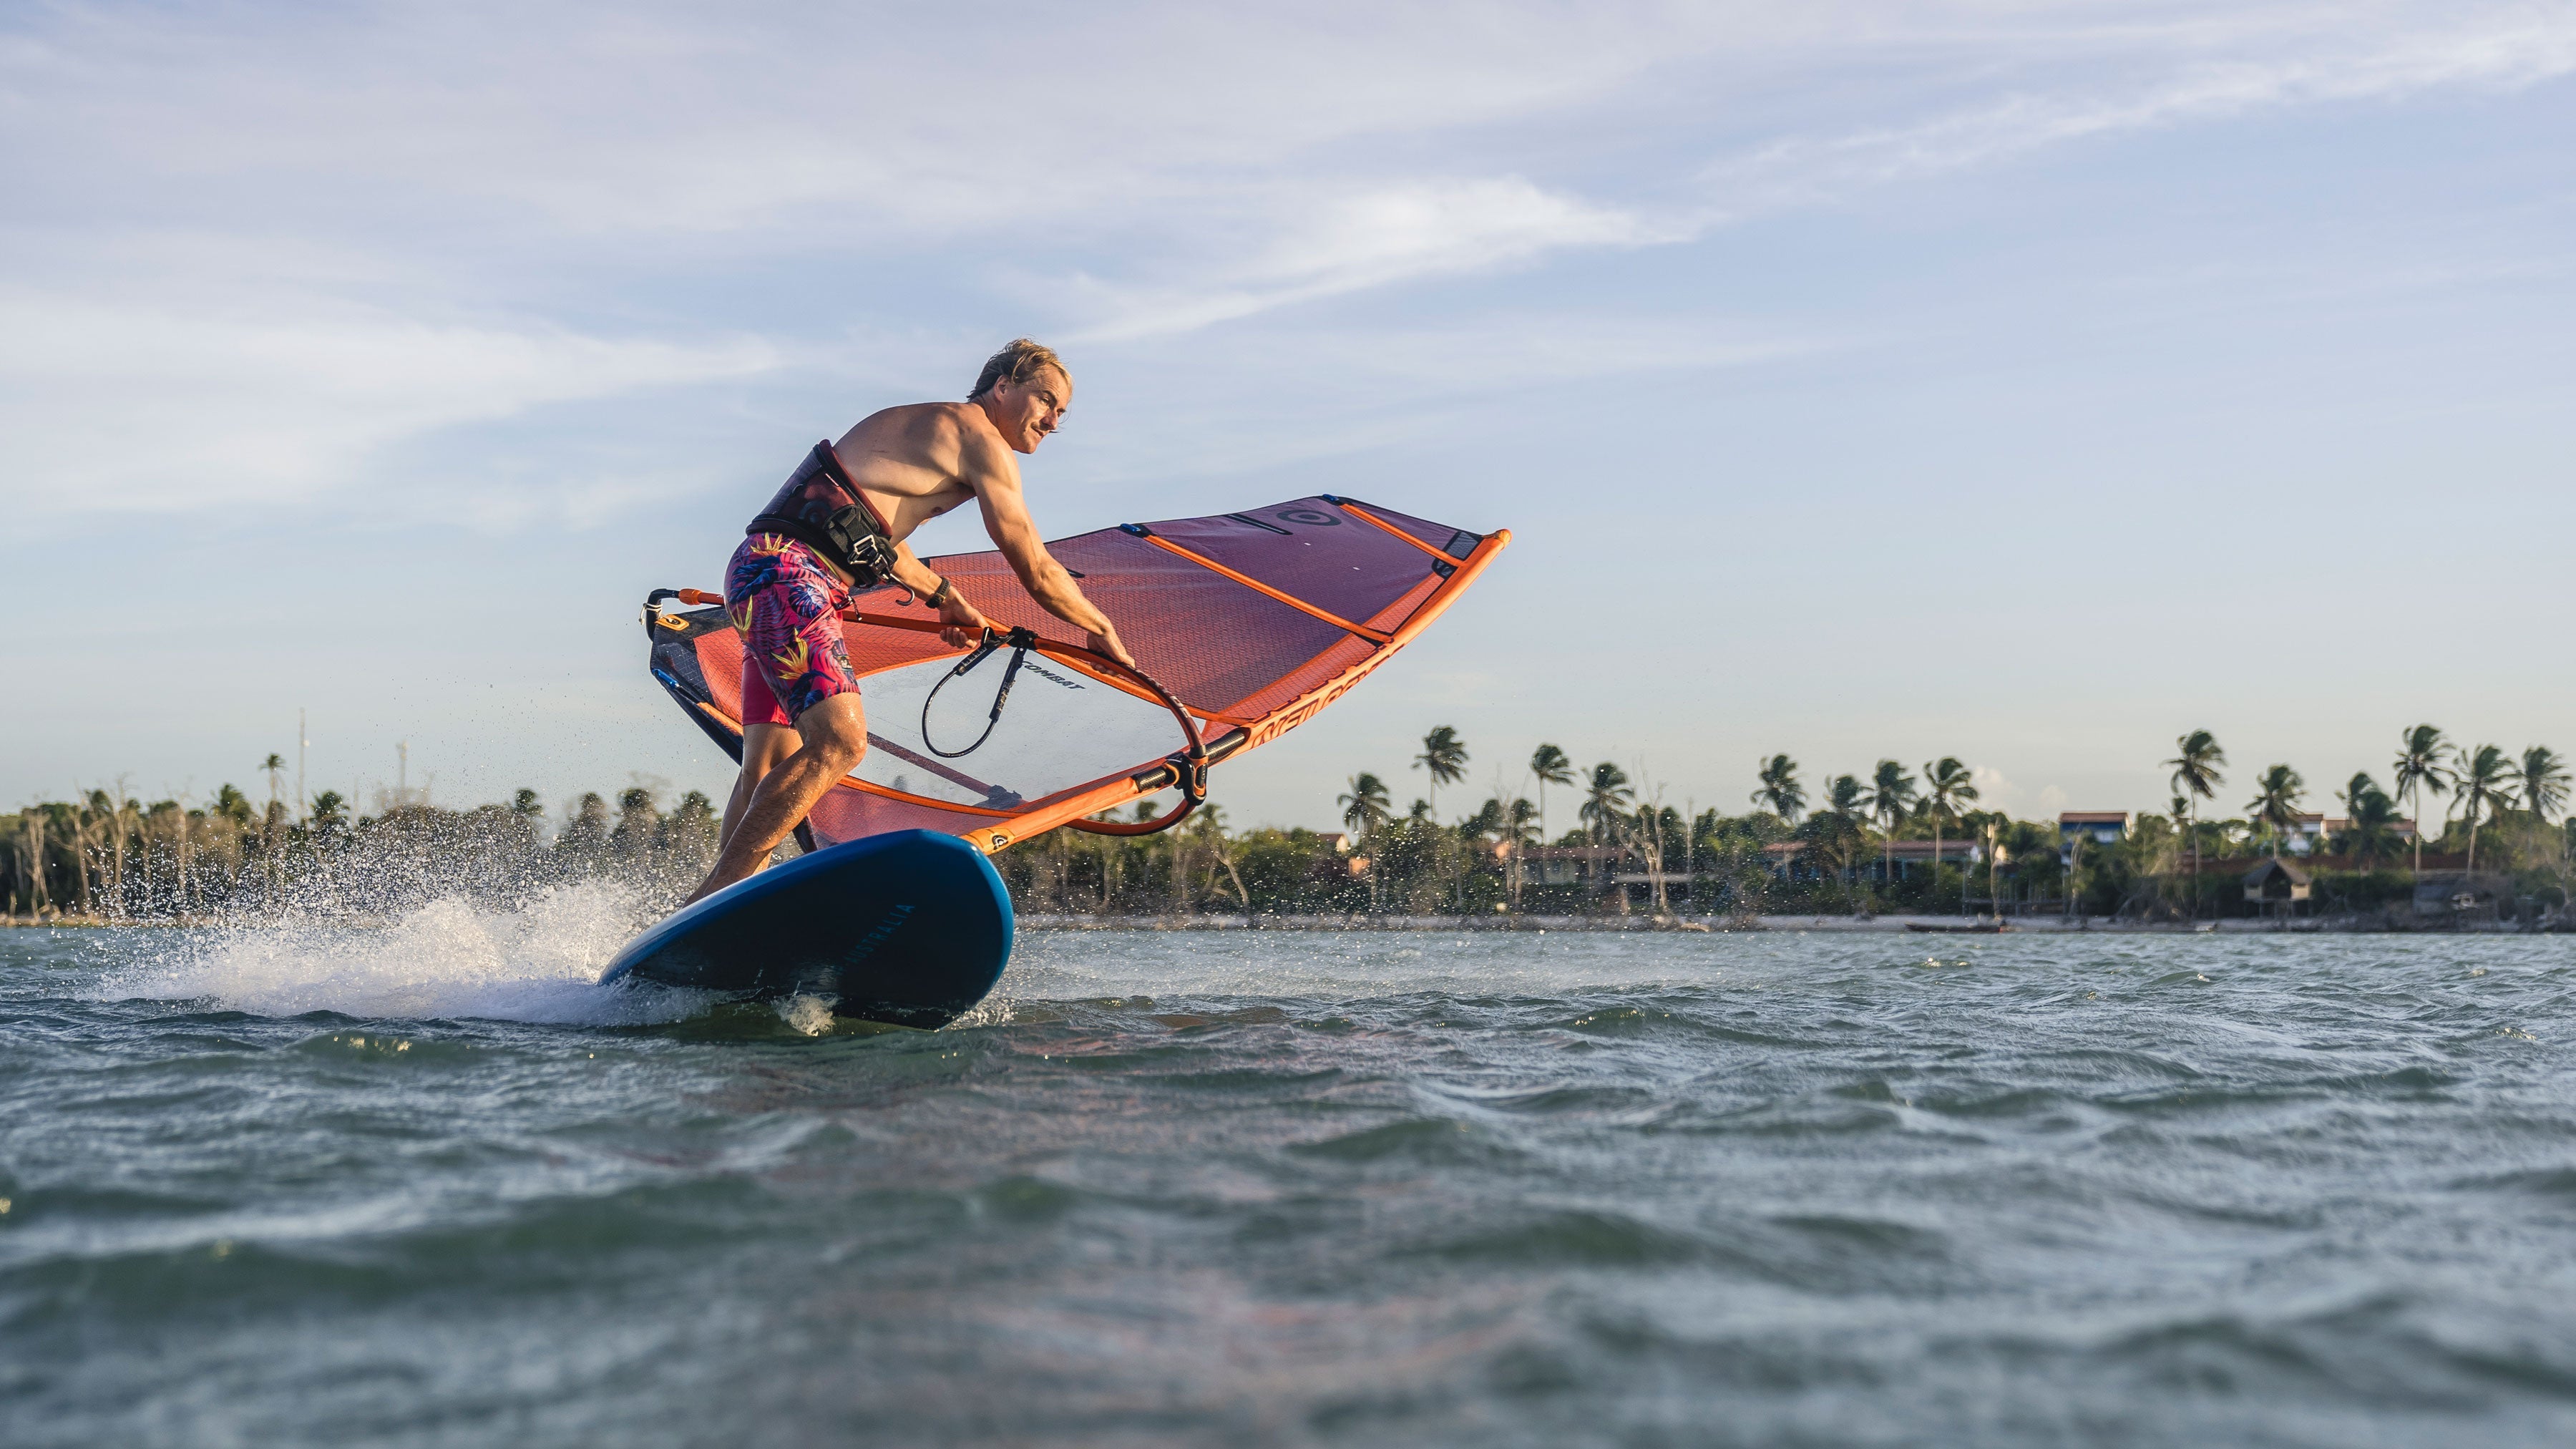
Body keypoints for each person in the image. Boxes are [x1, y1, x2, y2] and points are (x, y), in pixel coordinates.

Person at [682, 339, 1133, 905]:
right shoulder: (982, 440)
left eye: (1062, 412)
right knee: (842, 742)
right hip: (793, 577)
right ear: (1002, 386)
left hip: (767, 572)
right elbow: (1035, 566)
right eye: (1046, 400)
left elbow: (861, 530)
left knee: (766, 767)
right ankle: (718, 893)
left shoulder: (929, 432)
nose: (1053, 419)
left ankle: (714, 913)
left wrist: (944, 594)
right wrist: (1101, 627)